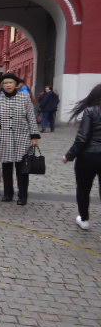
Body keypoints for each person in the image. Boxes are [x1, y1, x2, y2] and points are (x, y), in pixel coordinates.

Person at [0, 73, 40, 205]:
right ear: (2, 85)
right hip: (4, 138)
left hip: (22, 137)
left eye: (10, 83)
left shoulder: (24, 97)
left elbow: (31, 117)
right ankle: (8, 194)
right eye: (5, 83)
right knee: (6, 168)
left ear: (16, 84)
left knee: (22, 168)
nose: (8, 85)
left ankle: (23, 196)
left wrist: (34, 136)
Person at [63, 84, 101, 230]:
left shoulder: (90, 111)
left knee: (83, 189)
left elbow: (82, 138)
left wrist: (69, 155)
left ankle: (84, 219)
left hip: (88, 156)